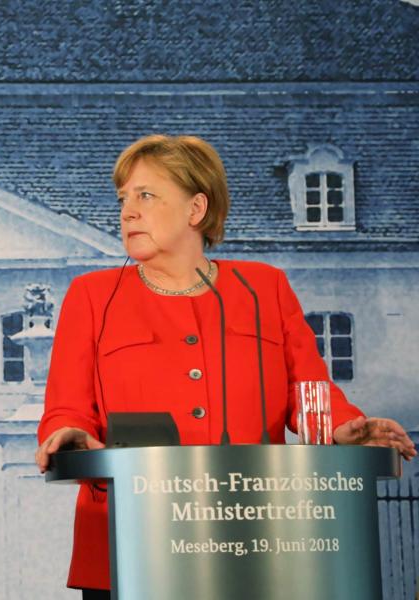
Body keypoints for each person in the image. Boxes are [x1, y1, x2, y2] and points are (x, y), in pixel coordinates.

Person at [34, 134, 416, 599]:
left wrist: (345, 426)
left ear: (196, 209)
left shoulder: (264, 288)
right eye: (124, 199)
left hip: (256, 538)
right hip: (129, 543)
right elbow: (66, 409)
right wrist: (67, 434)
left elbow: (309, 390)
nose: (128, 211)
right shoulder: (92, 296)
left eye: (146, 195)